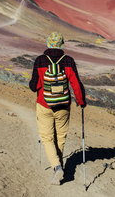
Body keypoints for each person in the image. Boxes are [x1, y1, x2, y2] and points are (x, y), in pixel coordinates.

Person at [29, 32, 86, 185]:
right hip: (63, 106)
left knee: (47, 138)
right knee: (60, 138)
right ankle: (58, 168)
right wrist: (81, 102)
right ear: (61, 44)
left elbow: (34, 86)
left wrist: (40, 84)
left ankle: (56, 166)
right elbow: (76, 84)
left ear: (48, 43)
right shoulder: (68, 61)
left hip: (44, 105)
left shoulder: (40, 60)